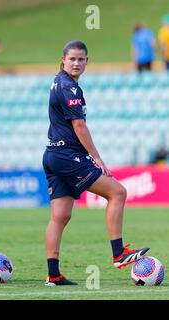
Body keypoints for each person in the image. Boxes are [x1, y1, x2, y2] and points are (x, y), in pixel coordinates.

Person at [42, 40, 150, 286]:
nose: (77, 63)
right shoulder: (69, 88)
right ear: (63, 60)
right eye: (72, 59)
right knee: (118, 192)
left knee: (60, 216)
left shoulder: (58, 81)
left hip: (52, 155)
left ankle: (53, 274)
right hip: (69, 156)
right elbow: (78, 125)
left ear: (87, 62)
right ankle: (119, 254)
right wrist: (96, 157)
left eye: (81, 59)